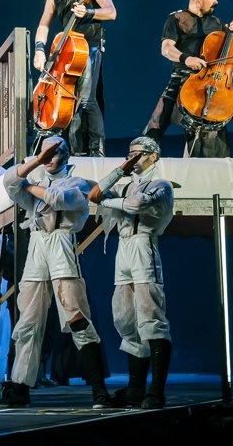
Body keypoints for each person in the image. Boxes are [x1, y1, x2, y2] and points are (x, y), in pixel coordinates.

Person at [0, 135, 113, 409]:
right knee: (28, 321)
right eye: (43, 153)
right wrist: (36, 162)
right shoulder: (36, 180)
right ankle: (20, 388)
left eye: (53, 153)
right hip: (37, 245)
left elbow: (58, 199)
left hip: (61, 243)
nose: (47, 158)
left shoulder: (77, 182)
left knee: (76, 317)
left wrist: (28, 185)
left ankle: (99, 390)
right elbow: (10, 182)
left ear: (65, 156)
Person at [88, 136, 175, 409]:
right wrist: (119, 171)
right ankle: (136, 389)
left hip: (143, 246)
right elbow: (94, 194)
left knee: (151, 317)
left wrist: (109, 202)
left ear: (153, 156)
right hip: (124, 249)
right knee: (125, 318)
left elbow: (136, 205)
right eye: (130, 153)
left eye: (139, 153)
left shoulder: (161, 184)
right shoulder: (125, 185)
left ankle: (156, 390)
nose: (133, 158)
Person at [144, 0, 233, 158]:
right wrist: (186, 58)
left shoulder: (217, 23)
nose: (216, 1)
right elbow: (166, 48)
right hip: (183, 76)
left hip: (215, 80)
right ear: (198, 0)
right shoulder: (177, 19)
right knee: (158, 119)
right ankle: (143, 156)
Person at [32, 0, 117, 157]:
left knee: (86, 99)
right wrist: (39, 49)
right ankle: (74, 149)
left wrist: (88, 12)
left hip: (89, 47)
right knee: (69, 99)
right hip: (66, 51)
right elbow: (43, 24)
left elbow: (111, 12)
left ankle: (97, 151)